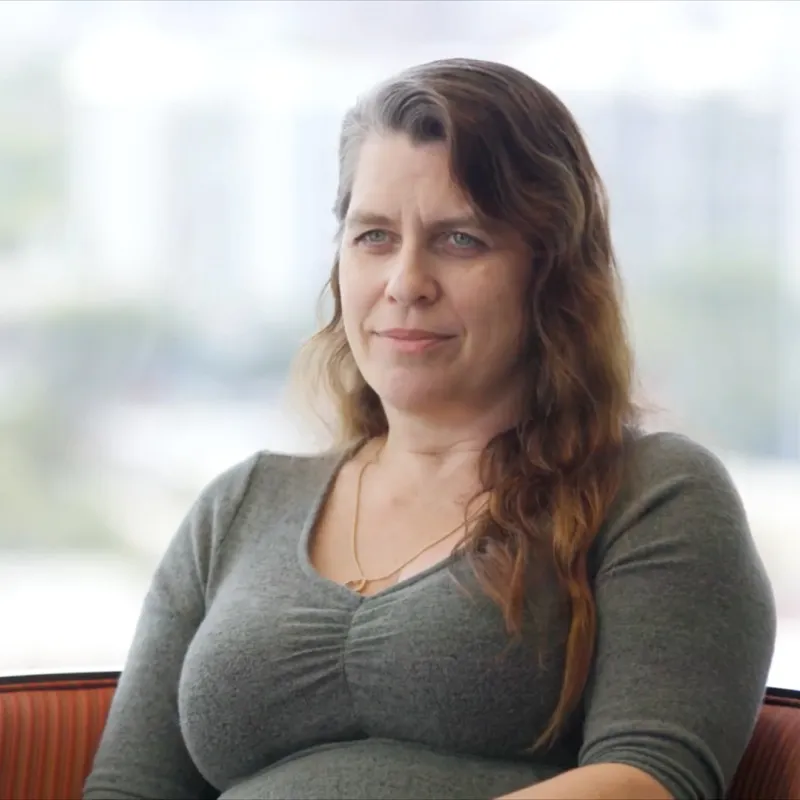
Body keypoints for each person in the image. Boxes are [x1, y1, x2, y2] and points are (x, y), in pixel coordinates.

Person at [83, 58, 776, 800]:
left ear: (549, 271)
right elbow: (129, 787)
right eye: (374, 237)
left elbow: (651, 782)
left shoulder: (655, 493)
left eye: (461, 240)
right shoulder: (240, 506)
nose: (406, 282)